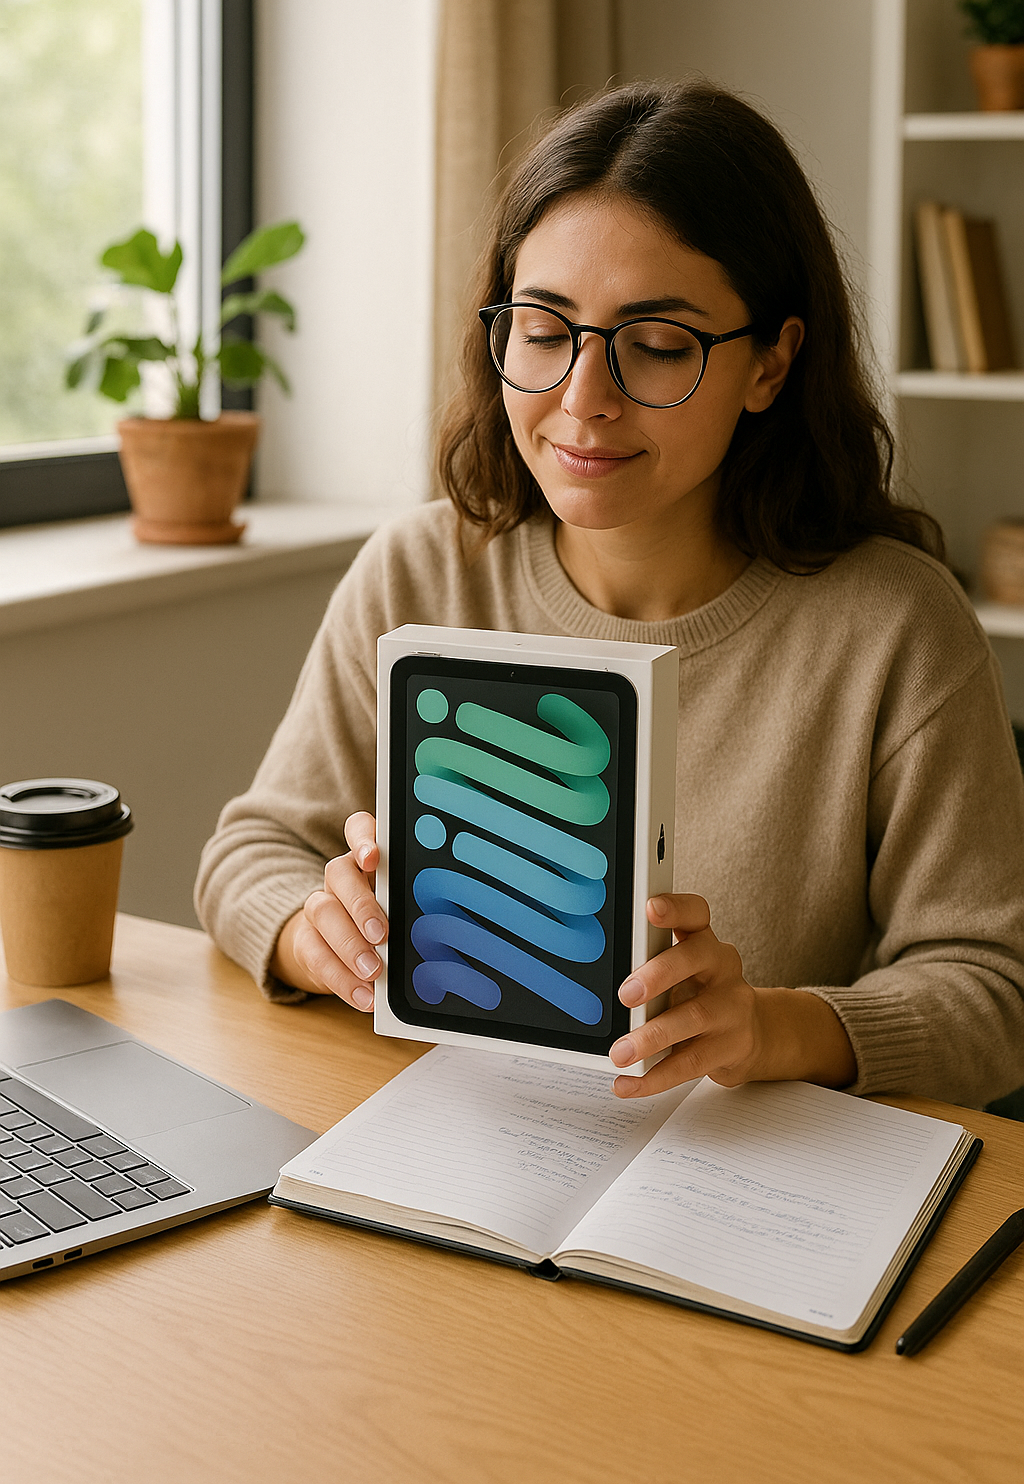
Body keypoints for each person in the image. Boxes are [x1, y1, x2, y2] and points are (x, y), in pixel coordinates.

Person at [195, 81, 1024, 1108]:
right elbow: (253, 847)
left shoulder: (896, 625)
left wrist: (773, 1026)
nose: (584, 401)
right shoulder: (418, 571)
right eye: (544, 331)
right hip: (451, 1138)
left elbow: (994, 990)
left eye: (659, 344)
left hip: (752, 1185)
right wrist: (308, 930)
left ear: (770, 362)